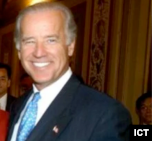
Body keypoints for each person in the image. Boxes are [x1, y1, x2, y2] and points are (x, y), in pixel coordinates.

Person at [7, 2, 131, 141]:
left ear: (71, 46)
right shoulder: (17, 106)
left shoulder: (104, 114)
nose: (39, 52)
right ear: (19, 51)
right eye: (29, 41)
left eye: (51, 40)